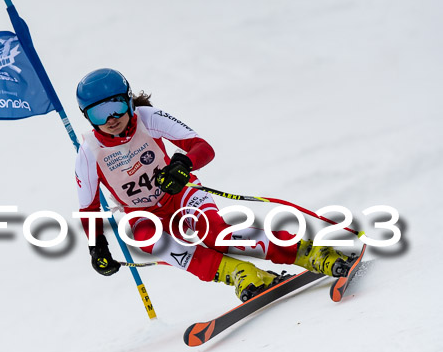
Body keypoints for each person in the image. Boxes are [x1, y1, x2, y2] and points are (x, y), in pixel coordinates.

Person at [74, 68, 351, 302]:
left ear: (129, 101)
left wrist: (183, 165)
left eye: (116, 106)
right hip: (143, 215)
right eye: (99, 113)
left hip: (180, 195)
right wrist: (96, 247)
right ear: (87, 117)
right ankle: (243, 274)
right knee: (151, 241)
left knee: (215, 233)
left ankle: (311, 252)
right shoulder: (88, 152)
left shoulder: (149, 118)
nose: (111, 119)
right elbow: (89, 207)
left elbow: (202, 147)